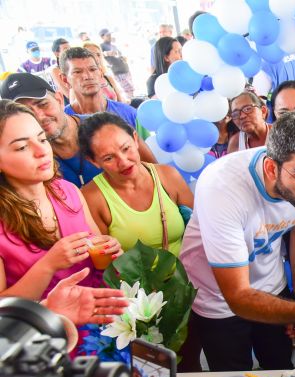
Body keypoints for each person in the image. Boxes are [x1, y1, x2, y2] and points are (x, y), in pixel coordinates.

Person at [179, 110, 295, 372]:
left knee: (280, 366)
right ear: (271, 167)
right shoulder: (222, 188)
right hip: (217, 299)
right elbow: (238, 297)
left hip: (271, 283)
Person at [0, 100, 121, 301]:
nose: (41, 151)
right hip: (47, 329)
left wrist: (110, 250)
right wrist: (48, 265)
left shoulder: (68, 191)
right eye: (22, 147)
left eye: (42, 139)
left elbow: (99, 260)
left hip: (102, 314)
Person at [0, 73, 155, 188]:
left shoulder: (106, 126)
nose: (39, 117)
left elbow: (155, 171)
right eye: (27, 112)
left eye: (42, 104)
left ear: (59, 100)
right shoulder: (32, 158)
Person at [78, 112, 194, 256]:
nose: (124, 162)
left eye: (126, 148)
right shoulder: (91, 198)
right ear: (93, 161)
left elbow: (198, 230)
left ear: (135, 139)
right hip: (134, 278)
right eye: (109, 158)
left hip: (188, 273)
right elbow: (102, 259)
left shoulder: (168, 176)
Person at [60, 48, 140, 129]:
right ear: (65, 79)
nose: (88, 76)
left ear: (101, 73)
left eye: (93, 69)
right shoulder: (62, 122)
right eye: (77, 72)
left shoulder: (129, 114)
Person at [99, 29, 135, 100]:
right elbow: (98, 55)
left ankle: (133, 102)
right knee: (127, 91)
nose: (110, 36)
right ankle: (131, 104)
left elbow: (120, 55)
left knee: (131, 89)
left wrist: (123, 58)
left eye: (110, 34)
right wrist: (106, 53)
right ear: (102, 37)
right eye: (107, 35)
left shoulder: (113, 45)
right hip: (117, 72)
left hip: (125, 69)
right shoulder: (101, 46)